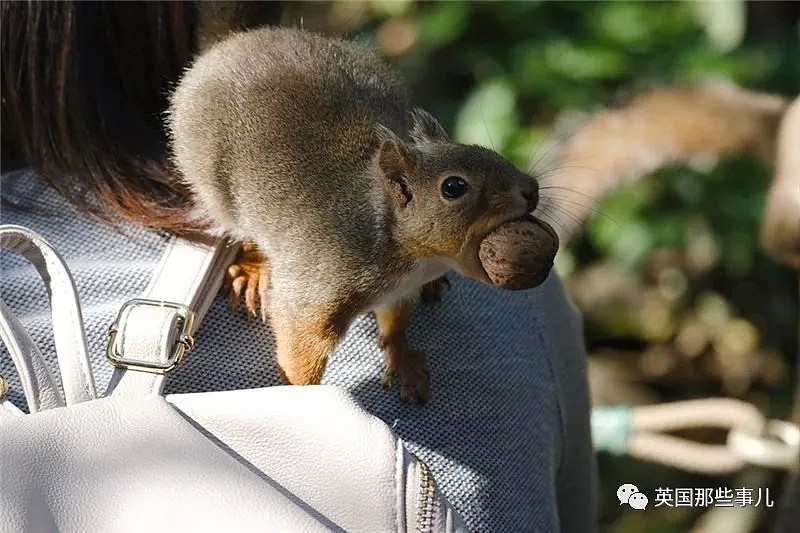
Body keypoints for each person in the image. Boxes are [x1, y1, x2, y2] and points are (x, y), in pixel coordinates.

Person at [0, 3, 597, 531]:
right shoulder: (430, 283)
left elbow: (406, 281)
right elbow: (305, 320)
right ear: (398, 186)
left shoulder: (440, 261)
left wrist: (399, 345)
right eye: (461, 190)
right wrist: (302, 412)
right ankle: (250, 243)